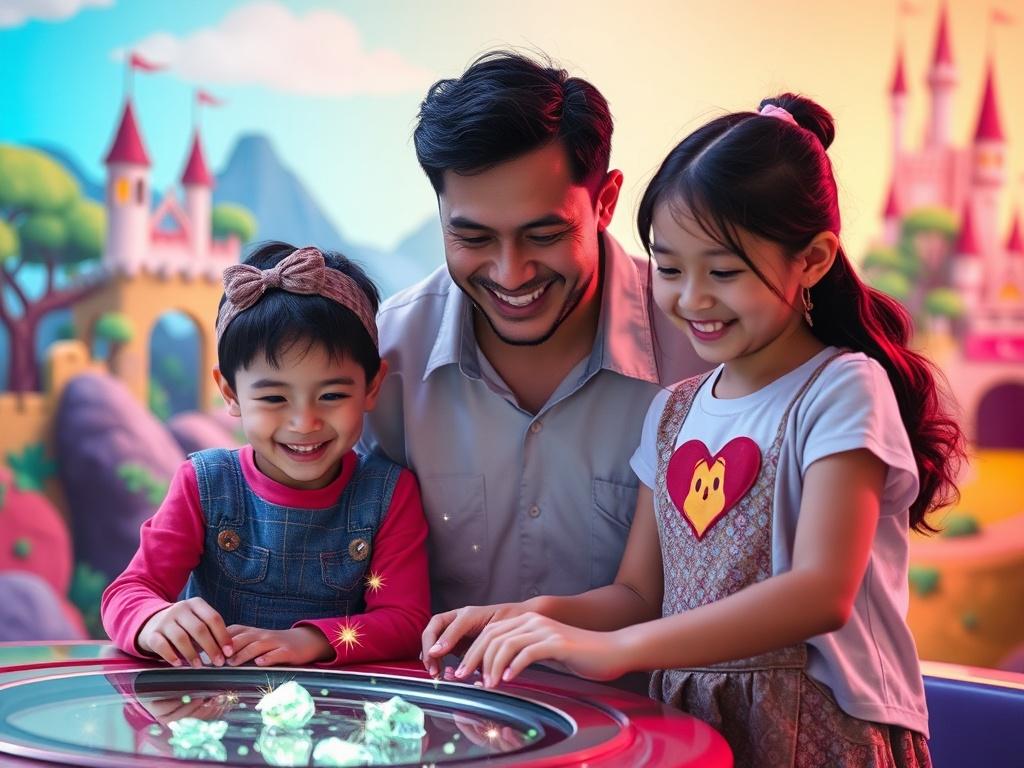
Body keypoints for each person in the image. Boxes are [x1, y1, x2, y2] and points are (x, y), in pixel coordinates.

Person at [421, 94, 966, 766]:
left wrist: (617, 650)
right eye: (671, 268)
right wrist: (531, 616)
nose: (692, 299)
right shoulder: (673, 410)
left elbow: (821, 592)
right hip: (690, 720)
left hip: (822, 730)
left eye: (725, 272)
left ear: (815, 259)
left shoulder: (841, 389)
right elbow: (638, 594)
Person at [360, 51, 705, 614]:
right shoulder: (386, 355)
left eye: (544, 235)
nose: (509, 273)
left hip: (644, 705)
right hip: (443, 703)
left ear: (606, 203)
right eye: (472, 239)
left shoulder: (703, 354)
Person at [102, 242, 429, 669]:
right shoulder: (204, 484)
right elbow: (128, 592)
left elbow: (404, 620)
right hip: (211, 712)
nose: (304, 422)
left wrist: (310, 641)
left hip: (336, 716)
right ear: (230, 393)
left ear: (371, 387)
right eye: (274, 397)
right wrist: (153, 619)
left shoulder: (389, 493)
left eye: (331, 394)